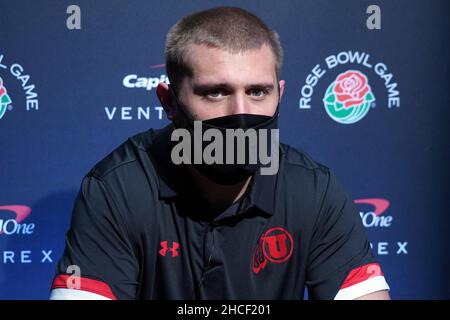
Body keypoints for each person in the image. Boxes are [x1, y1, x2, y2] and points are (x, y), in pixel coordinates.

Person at [50, 6, 390, 300]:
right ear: (169, 102)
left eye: (258, 91)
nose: (240, 115)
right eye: (215, 93)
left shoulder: (314, 191)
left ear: (280, 95)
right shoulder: (118, 188)